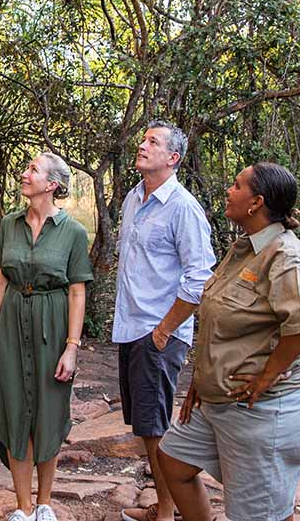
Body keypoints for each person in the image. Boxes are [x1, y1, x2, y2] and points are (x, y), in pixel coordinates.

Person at [158, 162, 300, 521]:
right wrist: (203, 380)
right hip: (216, 400)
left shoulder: (286, 257)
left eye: (237, 185)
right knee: (173, 461)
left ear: (257, 202)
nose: (228, 190)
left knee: (258, 513)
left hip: (262, 409)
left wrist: (267, 376)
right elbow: (223, 320)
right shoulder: (244, 249)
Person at [0, 152, 93, 521]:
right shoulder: (9, 224)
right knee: (15, 410)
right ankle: (23, 508)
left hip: (53, 323)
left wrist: (72, 348)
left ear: (52, 185)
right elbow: (0, 280)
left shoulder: (73, 232)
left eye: (33, 169)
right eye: (26, 167)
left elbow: (77, 291)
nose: (24, 173)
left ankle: (44, 504)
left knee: (49, 411)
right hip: (13, 322)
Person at [115, 121, 216, 521]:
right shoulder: (133, 198)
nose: (142, 145)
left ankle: (167, 514)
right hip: (131, 326)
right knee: (146, 427)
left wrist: (164, 330)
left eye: (152, 142)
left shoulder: (183, 207)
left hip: (158, 332)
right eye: (143, 139)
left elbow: (199, 277)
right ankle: (164, 506)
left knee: (156, 428)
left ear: (172, 158)